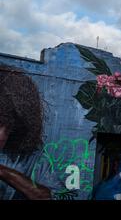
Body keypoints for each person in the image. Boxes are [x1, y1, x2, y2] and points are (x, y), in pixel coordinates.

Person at [0, 65, 62, 200]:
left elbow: (52, 197)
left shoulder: (30, 156)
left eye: (1, 125)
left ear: (13, 127)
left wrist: (4, 173)